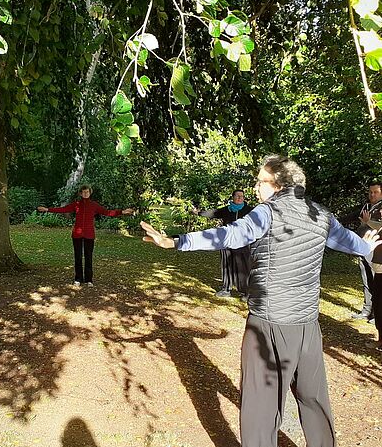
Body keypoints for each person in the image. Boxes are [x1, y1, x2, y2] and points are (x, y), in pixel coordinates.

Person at [141, 155, 381, 447]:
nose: (255, 187)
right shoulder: (321, 215)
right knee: (314, 400)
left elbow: (229, 235)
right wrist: (367, 245)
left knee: (260, 408)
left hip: (268, 326)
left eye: (260, 181)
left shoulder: (267, 212)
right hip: (307, 327)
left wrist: (176, 241)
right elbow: (353, 244)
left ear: (278, 183)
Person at [37, 185, 133, 286]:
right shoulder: (76, 204)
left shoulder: (94, 205)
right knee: (77, 257)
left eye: (87, 192)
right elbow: (63, 209)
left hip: (89, 235)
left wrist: (122, 212)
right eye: (83, 192)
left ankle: (89, 280)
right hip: (77, 235)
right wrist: (47, 209)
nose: (85, 194)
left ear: (90, 193)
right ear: (80, 193)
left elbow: (107, 212)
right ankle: (78, 279)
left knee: (88, 257)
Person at [193, 189, 253, 298]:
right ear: (233, 198)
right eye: (237, 196)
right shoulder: (227, 210)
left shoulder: (249, 210)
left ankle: (245, 292)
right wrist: (199, 213)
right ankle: (226, 289)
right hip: (227, 241)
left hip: (242, 242)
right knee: (227, 264)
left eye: (242, 196)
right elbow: (213, 213)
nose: (240, 198)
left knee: (243, 267)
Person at [339, 181, 382, 321]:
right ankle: (366, 310)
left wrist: (368, 222)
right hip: (362, 248)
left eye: (375, 192)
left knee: (377, 282)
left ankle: (377, 314)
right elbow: (350, 217)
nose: (372, 195)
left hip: (377, 251)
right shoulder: (366, 206)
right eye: (370, 192)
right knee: (366, 280)